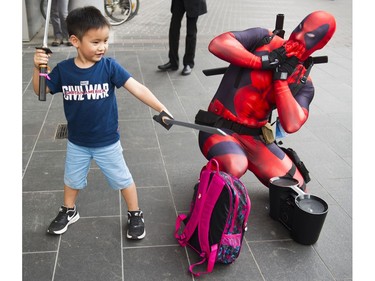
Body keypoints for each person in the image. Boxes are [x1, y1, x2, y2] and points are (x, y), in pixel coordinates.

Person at [33, 6, 173, 240]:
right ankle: (69, 210)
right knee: (71, 179)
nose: (102, 47)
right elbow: (41, 91)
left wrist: (161, 107)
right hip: (77, 141)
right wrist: (37, 67)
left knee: (123, 179)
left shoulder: (109, 67)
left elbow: (136, 87)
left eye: (105, 40)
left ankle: (135, 213)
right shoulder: (64, 71)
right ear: (75, 41)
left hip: (107, 141)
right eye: (96, 41)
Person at [195, 11, 336, 191]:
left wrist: (281, 81)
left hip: (255, 138)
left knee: (297, 187)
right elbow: (217, 44)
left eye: (309, 35)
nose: (299, 36)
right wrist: (259, 61)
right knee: (235, 165)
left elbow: (291, 124)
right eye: (300, 27)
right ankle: (207, 184)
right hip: (219, 126)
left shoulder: (303, 82)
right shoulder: (264, 39)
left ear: (320, 44)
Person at [158, 0, 207, 76]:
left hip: (194, 3)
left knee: (191, 32)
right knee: (173, 29)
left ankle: (188, 63)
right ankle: (173, 62)